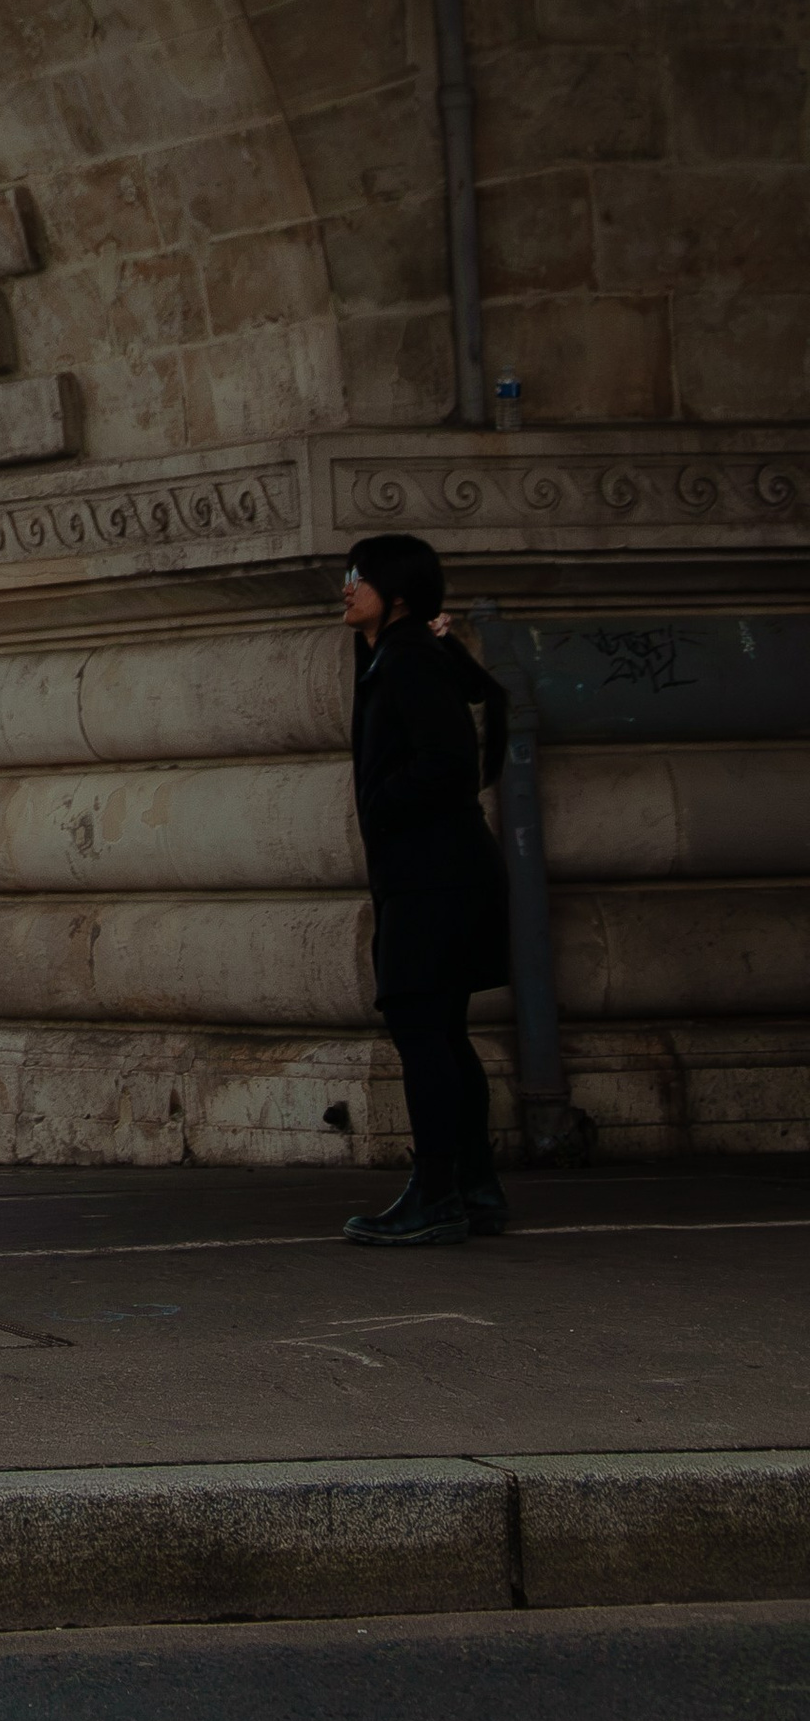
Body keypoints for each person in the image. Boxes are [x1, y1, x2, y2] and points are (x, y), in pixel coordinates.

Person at [341, 532, 511, 1248]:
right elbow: (475, 695)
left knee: (422, 1031)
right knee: (442, 1032)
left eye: (360, 575)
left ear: (399, 591)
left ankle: (438, 1190)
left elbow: (448, 762)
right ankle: (472, 1184)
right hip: (441, 871)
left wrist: (381, 804)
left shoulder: (406, 659)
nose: (345, 585)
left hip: (431, 876)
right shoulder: (399, 653)